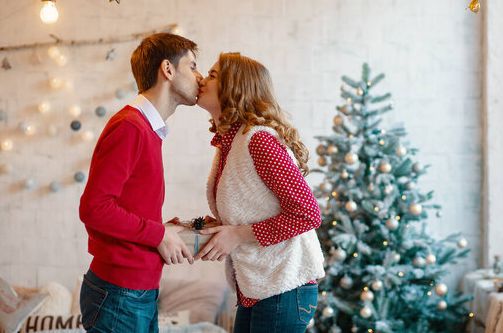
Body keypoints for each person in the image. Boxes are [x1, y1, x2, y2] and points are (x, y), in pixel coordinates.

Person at [78, 33, 202, 332]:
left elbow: (127, 206)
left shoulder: (147, 128)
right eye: (193, 66)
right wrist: (158, 235)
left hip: (135, 291)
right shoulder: (131, 127)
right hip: (120, 293)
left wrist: (167, 229)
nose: (200, 77)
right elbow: (94, 208)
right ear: (168, 70)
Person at [194, 52, 325, 332]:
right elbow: (254, 209)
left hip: (284, 287)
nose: (202, 80)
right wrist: (222, 228)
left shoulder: (258, 140)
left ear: (236, 88)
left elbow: (308, 214)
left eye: (213, 75)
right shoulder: (230, 144)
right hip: (261, 288)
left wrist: (236, 234)